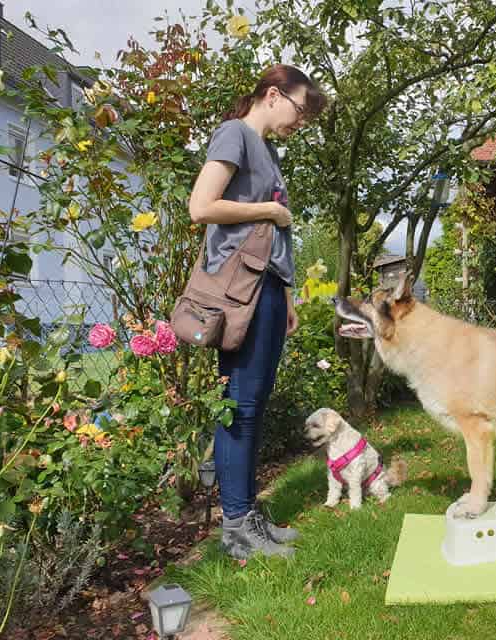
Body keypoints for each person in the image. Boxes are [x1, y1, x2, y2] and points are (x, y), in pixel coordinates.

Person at [188, 64, 328, 559]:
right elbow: (201, 206)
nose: (301, 123)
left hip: (266, 290)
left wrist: (286, 296)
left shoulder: (266, 150)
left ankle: (248, 516)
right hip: (238, 291)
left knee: (255, 405)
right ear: (274, 95)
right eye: (300, 110)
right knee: (239, 409)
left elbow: (276, 243)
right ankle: (236, 528)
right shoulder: (235, 135)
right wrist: (267, 210)